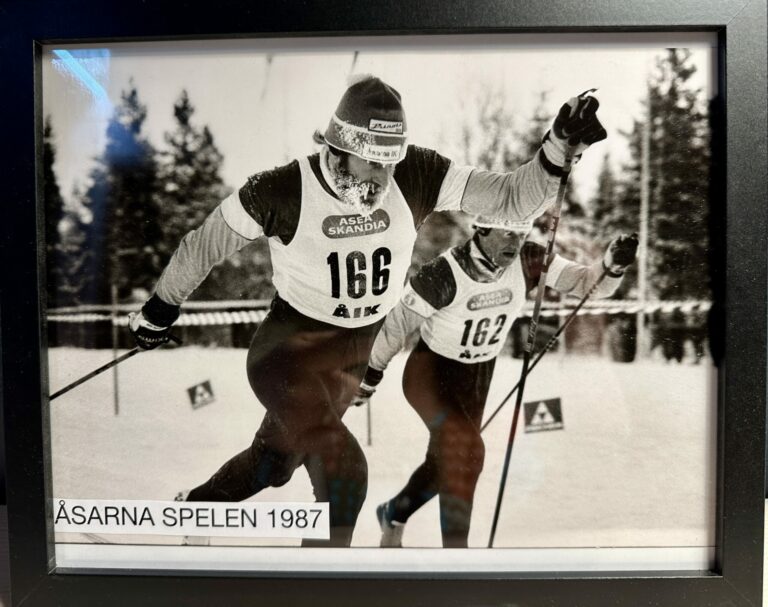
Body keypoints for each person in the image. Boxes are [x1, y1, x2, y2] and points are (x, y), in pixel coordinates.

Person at [127, 74, 608, 547]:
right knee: (347, 474)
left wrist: (556, 151)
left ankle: (193, 508)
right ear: (336, 149)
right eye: (372, 164)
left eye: (390, 163)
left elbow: (508, 199)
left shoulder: (417, 174)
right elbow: (202, 245)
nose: (383, 178)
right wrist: (160, 309)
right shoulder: (281, 189)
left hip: (347, 361)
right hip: (288, 354)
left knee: (273, 465)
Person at [353, 218, 638, 548]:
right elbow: (396, 326)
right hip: (431, 375)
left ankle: (394, 512)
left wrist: (612, 265)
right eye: (507, 233)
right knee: (467, 453)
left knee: (444, 461)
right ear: (481, 229)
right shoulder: (444, 271)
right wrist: (370, 376)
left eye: (521, 233)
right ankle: (457, 561)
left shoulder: (530, 259)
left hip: (478, 376)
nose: (515, 242)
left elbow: (590, 284)